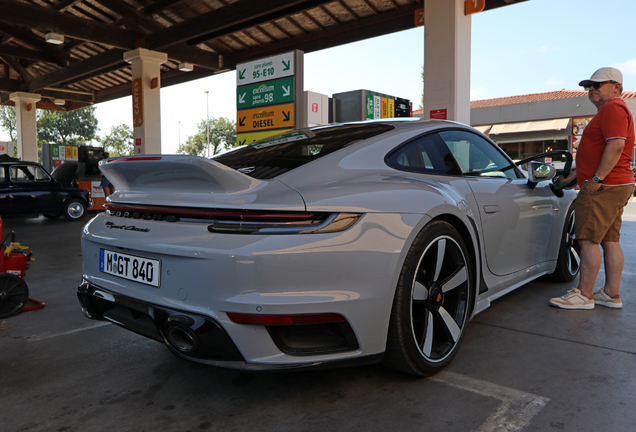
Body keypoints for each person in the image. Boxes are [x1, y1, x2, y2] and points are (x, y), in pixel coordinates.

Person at [550, 67, 635, 310]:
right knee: (610, 240)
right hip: (615, 183)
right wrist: (575, 176)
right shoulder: (610, 110)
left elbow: (616, 146)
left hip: (605, 186)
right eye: (589, 86)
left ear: (616, 87)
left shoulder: (613, 108)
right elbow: (601, 152)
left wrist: (595, 180)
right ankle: (610, 293)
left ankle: (584, 295)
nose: (592, 89)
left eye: (598, 85)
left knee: (586, 240)